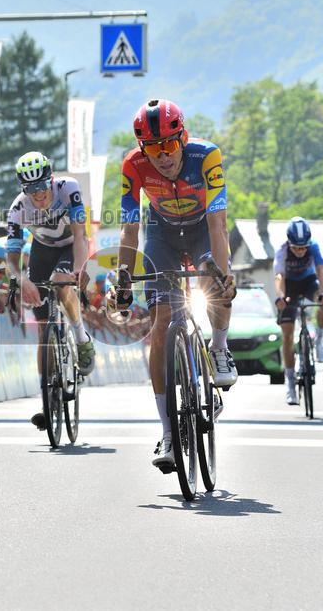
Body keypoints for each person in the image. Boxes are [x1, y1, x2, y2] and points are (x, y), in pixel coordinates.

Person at [108, 99, 236, 472]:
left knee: (216, 284)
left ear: (182, 138)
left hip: (201, 230)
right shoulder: (133, 165)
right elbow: (129, 228)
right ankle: (167, 432)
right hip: (161, 233)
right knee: (161, 325)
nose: (162, 156)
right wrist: (123, 278)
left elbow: (218, 224)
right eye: (153, 148)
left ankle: (219, 347)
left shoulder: (206, 156)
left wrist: (223, 273)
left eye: (168, 144)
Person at [4, 151, 96, 430]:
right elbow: (11, 259)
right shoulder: (17, 209)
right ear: (23, 189)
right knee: (43, 329)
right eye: (31, 189)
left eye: (42, 186)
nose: (39, 194)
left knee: (60, 281)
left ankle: (80, 336)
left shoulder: (68, 189)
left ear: (51, 180)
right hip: (42, 251)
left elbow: (80, 235)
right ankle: (47, 397)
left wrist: (78, 270)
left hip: (71, 246)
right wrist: (21, 279)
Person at [273, 216, 323, 405]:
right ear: (289, 243)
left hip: (308, 282)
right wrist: (281, 297)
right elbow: (279, 276)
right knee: (287, 335)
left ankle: (320, 340)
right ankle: (290, 384)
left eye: (303, 248)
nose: (300, 251)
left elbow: (321, 270)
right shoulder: (282, 250)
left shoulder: (314, 247)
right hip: (289, 286)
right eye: (296, 248)